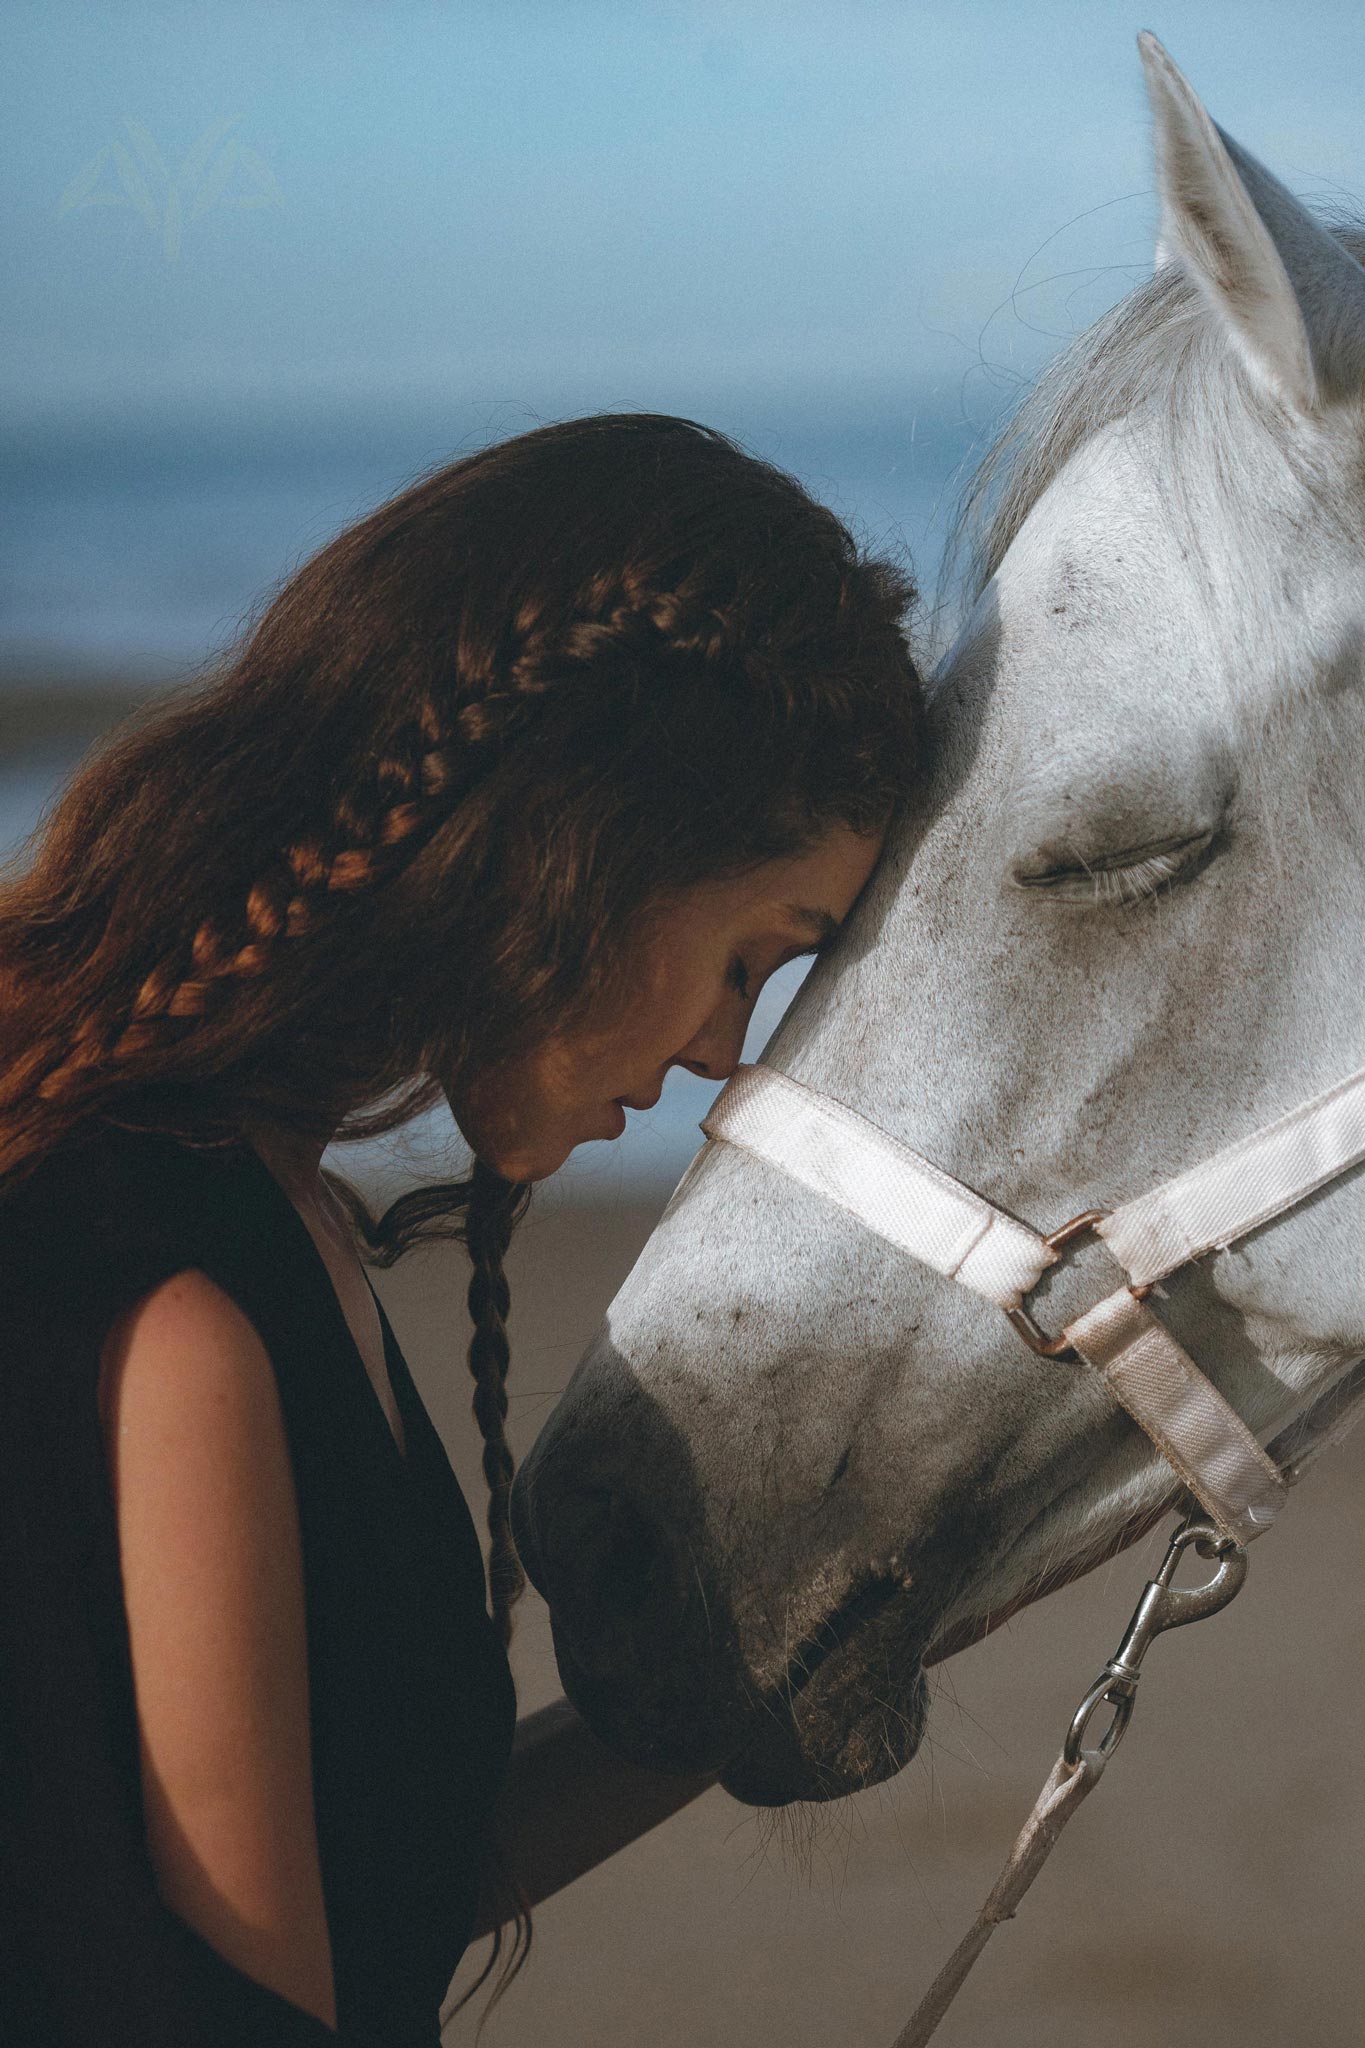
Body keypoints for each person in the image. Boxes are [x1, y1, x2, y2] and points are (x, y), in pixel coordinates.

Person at [0, 411, 921, 2043]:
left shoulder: (257, 1208)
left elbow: (385, 1865)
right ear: (583, 848)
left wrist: (769, 1663)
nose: (725, 1050)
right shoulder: (162, 1296)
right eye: (752, 955)